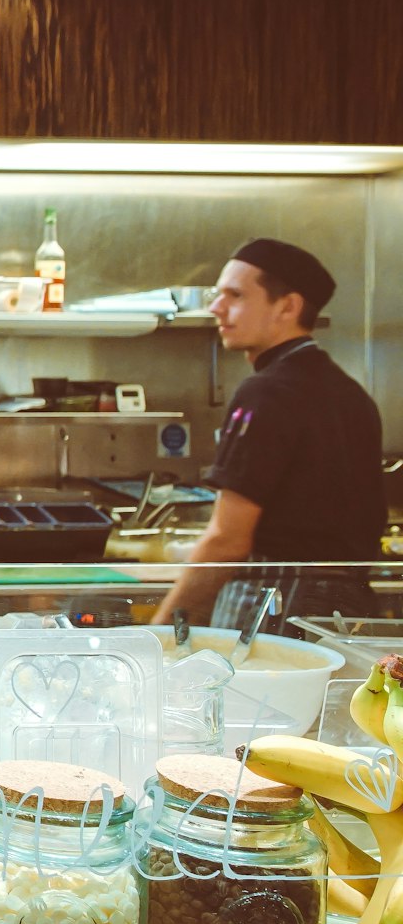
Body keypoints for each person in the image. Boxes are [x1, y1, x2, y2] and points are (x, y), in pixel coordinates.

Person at [152, 238, 387, 630]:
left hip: (276, 604)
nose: (216, 307)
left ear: (288, 306)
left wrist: (162, 629)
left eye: (235, 295)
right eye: (216, 294)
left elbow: (228, 540)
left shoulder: (266, 391)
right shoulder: (351, 393)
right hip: (349, 607)